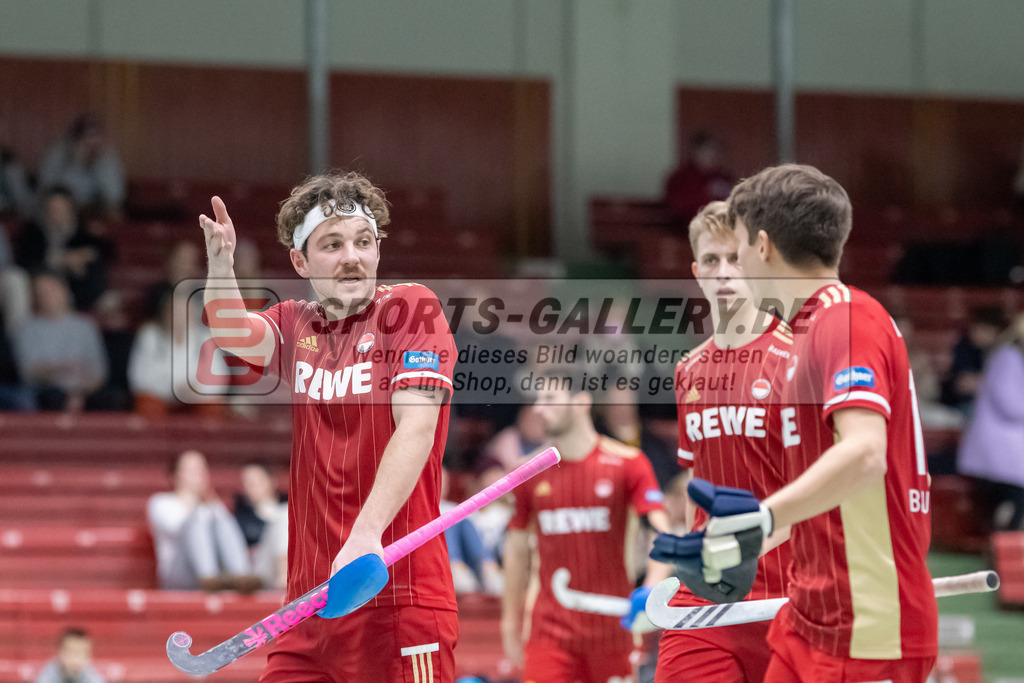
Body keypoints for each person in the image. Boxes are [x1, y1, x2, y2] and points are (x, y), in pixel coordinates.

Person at [199, 170, 458, 680]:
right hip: (309, 605)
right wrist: (220, 264)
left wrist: (365, 536)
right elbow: (232, 333)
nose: (352, 257)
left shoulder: (411, 308)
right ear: (300, 261)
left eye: (364, 241)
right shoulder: (296, 323)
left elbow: (417, 429)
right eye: (332, 245)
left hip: (396, 593)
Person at [708, 164, 937, 681]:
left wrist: (759, 518)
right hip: (808, 616)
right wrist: (732, 545)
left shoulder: (846, 318)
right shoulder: (803, 335)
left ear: (762, 245)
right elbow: (817, 493)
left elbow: (865, 454)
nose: (735, 264)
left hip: (867, 629)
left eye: (739, 245)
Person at [649, 201, 795, 682]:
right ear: (696, 271)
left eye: (735, 258)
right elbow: (699, 479)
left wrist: (748, 543)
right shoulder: (688, 370)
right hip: (708, 598)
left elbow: (823, 488)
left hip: (788, 595)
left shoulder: (796, 358)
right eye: (711, 261)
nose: (724, 272)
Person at [501, 374, 669, 683]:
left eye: (550, 399)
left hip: (614, 630)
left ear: (581, 401)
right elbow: (515, 551)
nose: (538, 409)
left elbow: (663, 535)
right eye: (538, 400)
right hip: (548, 632)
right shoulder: (528, 473)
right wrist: (510, 621)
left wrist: (650, 591)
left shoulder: (629, 463)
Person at [146, 449, 259, 592]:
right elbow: (178, 528)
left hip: (217, 571)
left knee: (222, 519)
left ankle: (241, 575)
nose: (197, 475)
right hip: (178, 573)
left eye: (201, 469)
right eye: (191, 469)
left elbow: (227, 532)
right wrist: (196, 502)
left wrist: (211, 503)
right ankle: (208, 576)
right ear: (176, 474)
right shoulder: (160, 502)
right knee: (198, 520)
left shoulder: (213, 506)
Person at [957, 312, 1024, 532]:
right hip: (999, 455)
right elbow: (1011, 405)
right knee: (1012, 506)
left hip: (1006, 455)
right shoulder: (1008, 357)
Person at [11, 271, 108, 412]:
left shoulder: (86, 326)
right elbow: (27, 372)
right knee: (53, 397)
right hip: (46, 392)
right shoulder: (25, 329)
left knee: (112, 398)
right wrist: (60, 369)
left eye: (51, 290)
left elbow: (99, 372)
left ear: (64, 290)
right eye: (40, 292)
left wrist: (78, 392)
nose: (46, 296)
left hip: (84, 390)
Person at [14, 186, 115, 312]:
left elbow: (106, 250)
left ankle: (94, 300)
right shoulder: (33, 230)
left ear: (71, 209)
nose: (58, 211)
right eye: (53, 207)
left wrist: (84, 255)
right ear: (45, 209)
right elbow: (24, 259)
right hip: (41, 279)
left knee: (89, 267)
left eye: (62, 207)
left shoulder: (80, 230)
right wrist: (62, 259)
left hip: (74, 283)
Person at [37, 113, 125, 216]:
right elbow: (46, 188)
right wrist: (77, 163)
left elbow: (115, 196)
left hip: (94, 209)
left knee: (115, 214)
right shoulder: (59, 151)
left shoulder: (106, 155)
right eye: (86, 134)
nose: (91, 141)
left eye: (96, 134)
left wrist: (98, 162)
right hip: (61, 207)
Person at [940, 305, 1008, 415]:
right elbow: (964, 384)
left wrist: (983, 383)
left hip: (996, 408)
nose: (975, 333)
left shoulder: (1006, 353)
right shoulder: (964, 347)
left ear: (996, 332)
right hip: (964, 406)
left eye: (982, 329)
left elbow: (1007, 390)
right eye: (974, 328)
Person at [234, 460, 289, 590]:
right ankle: (284, 577)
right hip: (257, 569)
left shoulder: (286, 508)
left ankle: (285, 576)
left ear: (271, 482)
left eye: (254, 482)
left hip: (291, 563)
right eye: (246, 483)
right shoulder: (242, 514)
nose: (249, 487)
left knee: (284, 513)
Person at [663, 131, 735, 230]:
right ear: (695, 151)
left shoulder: (724, 178)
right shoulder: (679, 178)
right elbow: (677, 208)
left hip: (721, 233)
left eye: (717, 150)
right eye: (708, 149)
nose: (713, 154)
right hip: (686, 233)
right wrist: (705, 193)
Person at [34, 627, 106, 683]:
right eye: (71, 651)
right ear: (60, 652)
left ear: (88, 656)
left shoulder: (93, 678)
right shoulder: (47, 675)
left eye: (80, 652)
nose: (75, 657)